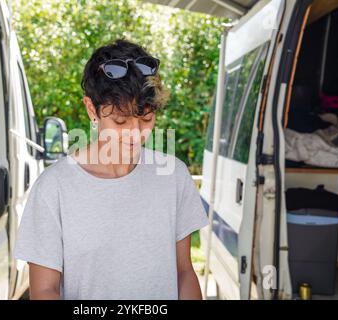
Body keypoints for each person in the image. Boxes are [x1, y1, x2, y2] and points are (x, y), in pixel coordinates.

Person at [14, 39, 209, 300]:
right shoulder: (53, 188)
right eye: (120, 121)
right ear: (91, 109)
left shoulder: (174, 176)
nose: (135, 133)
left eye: (146, 119)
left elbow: (184, 272)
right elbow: (44, 290)